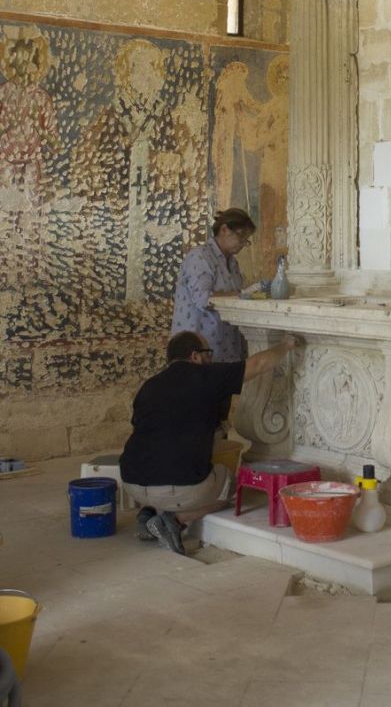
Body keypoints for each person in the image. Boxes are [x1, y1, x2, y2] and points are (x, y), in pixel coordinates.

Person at [120, 329, 300, 554]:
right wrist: (285, 345)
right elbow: (258, 364)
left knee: (161, 458)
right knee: (230, 486)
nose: (211, 359)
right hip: (178, 487)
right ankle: (174, 520)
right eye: (208, 353)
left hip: (131, 482)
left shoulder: (149, 386)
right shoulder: (206, 376)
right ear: (195, 356)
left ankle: (147, 513)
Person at [170, 207, 255, 361]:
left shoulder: (232, 263)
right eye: (241, 237)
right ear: (224, 230)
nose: (243, 243)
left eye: (246, 240)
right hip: (199, 348)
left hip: (227, 345)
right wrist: (243, 295)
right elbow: (202, 298)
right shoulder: (201, 257)